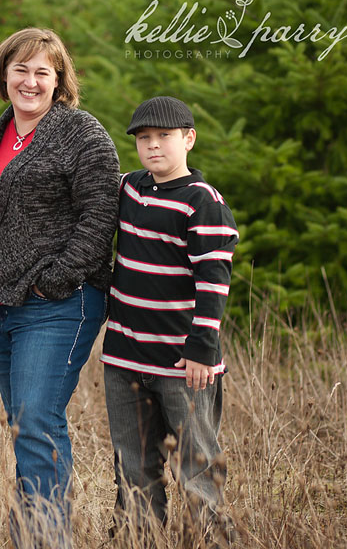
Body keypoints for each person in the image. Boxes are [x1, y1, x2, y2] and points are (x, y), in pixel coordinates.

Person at [0, 28, 120, 548]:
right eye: (20, 70)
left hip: (59, 304)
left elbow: (100, 217)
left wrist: (54, 280)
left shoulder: (82, 134)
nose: (29, 82)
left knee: (36, 420)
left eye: (41, 72)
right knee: (24, 424)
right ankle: (33, 532)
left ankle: (46, 539)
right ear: (3, 74)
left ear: (59, 80)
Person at [101, 96, 238, 546]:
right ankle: (137, 539)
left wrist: (202, 349)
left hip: (183, 366)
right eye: (144, 139)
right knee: (133, 465)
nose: (153, 146)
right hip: (124, 357)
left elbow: (213, 281)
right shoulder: (130, 188)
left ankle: (212, 540)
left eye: (164, 137)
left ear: (188, 139)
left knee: (196, 466)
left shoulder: (204, 203)